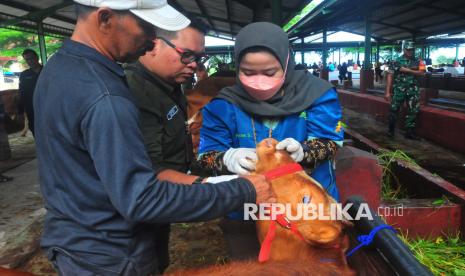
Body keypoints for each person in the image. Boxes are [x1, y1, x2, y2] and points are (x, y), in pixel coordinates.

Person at [33, 1, 275, 275]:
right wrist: (241, 190)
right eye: (146, 27)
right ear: (105, 18)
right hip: (112, 253)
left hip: (78, 237)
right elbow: (141, 198)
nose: (150, 39)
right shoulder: (107, 97)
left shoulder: (60, 68)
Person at [197, 22, 344, 201]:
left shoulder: (317, 94)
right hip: (248, 204)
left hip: (309, 203)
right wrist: (228, 158)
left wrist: (304, 151)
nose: (259, 81)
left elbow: (332, 143)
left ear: (286, 63)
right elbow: (206, 157)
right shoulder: (223, 105)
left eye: (269, 72)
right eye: (248, 72)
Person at [124, 18, 209, 273]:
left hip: (161, 205)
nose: (194, 65)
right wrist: (211, 187)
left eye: (199, 57)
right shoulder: (135, 92)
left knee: (158, 260)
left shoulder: (170, 86)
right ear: (152, 45)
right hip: (133, 220)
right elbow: (150, 170)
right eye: (186, 55)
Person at [385, 40, 424, 140]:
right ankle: (391, 130)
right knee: (394, 109)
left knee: (413, 110)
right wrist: (387, 92)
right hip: (399, 89)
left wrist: (406, 70)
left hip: (413, 89)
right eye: (408, 49)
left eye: (412, 49)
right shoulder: (395, 61)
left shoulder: (418, 60)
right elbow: (390, 75)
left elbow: (422, 72)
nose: (410, 51)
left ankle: (409, 133)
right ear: (404, 49)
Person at [18, 49, 42, 137]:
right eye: (27, 59)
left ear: (37, 58)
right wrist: (20, 111)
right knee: (36, 132)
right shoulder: (24, 75)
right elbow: (22, 93)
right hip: (31, 109)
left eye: (31, 58)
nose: (30, 61)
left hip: (47, 108)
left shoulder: (47, 71)